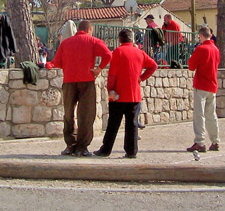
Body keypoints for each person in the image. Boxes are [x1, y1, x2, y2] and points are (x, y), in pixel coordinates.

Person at [46, 20, 112, 157]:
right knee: (86, 114)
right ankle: (82, 146)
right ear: (89, 29)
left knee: (68, 113)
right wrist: (98, 69)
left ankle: (70, 144)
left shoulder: (65, 43)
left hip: (69, 81)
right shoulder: (93, 41)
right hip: (87, 80)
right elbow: (108, 55)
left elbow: (57, 62)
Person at [94, 29, 157, 159]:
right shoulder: (140, 53)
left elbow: (112, 74)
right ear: (132, 39)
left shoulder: (118, 52)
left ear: (119, 39)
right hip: (134, 94)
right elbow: (153, 66)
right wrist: (141, 78)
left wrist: (110, 89)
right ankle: (131, 151)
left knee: (113, 124)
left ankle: (106, 150)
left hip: (118, 94)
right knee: (132, 124)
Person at [187, 26, 220, 153]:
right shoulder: (216, 49)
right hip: (212, 84)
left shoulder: (201, 49)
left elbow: (191, 66)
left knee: (199, 114)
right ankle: (215, 140)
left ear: (200, 36)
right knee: (211, 114)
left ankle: (200, 141)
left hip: (201, 84)